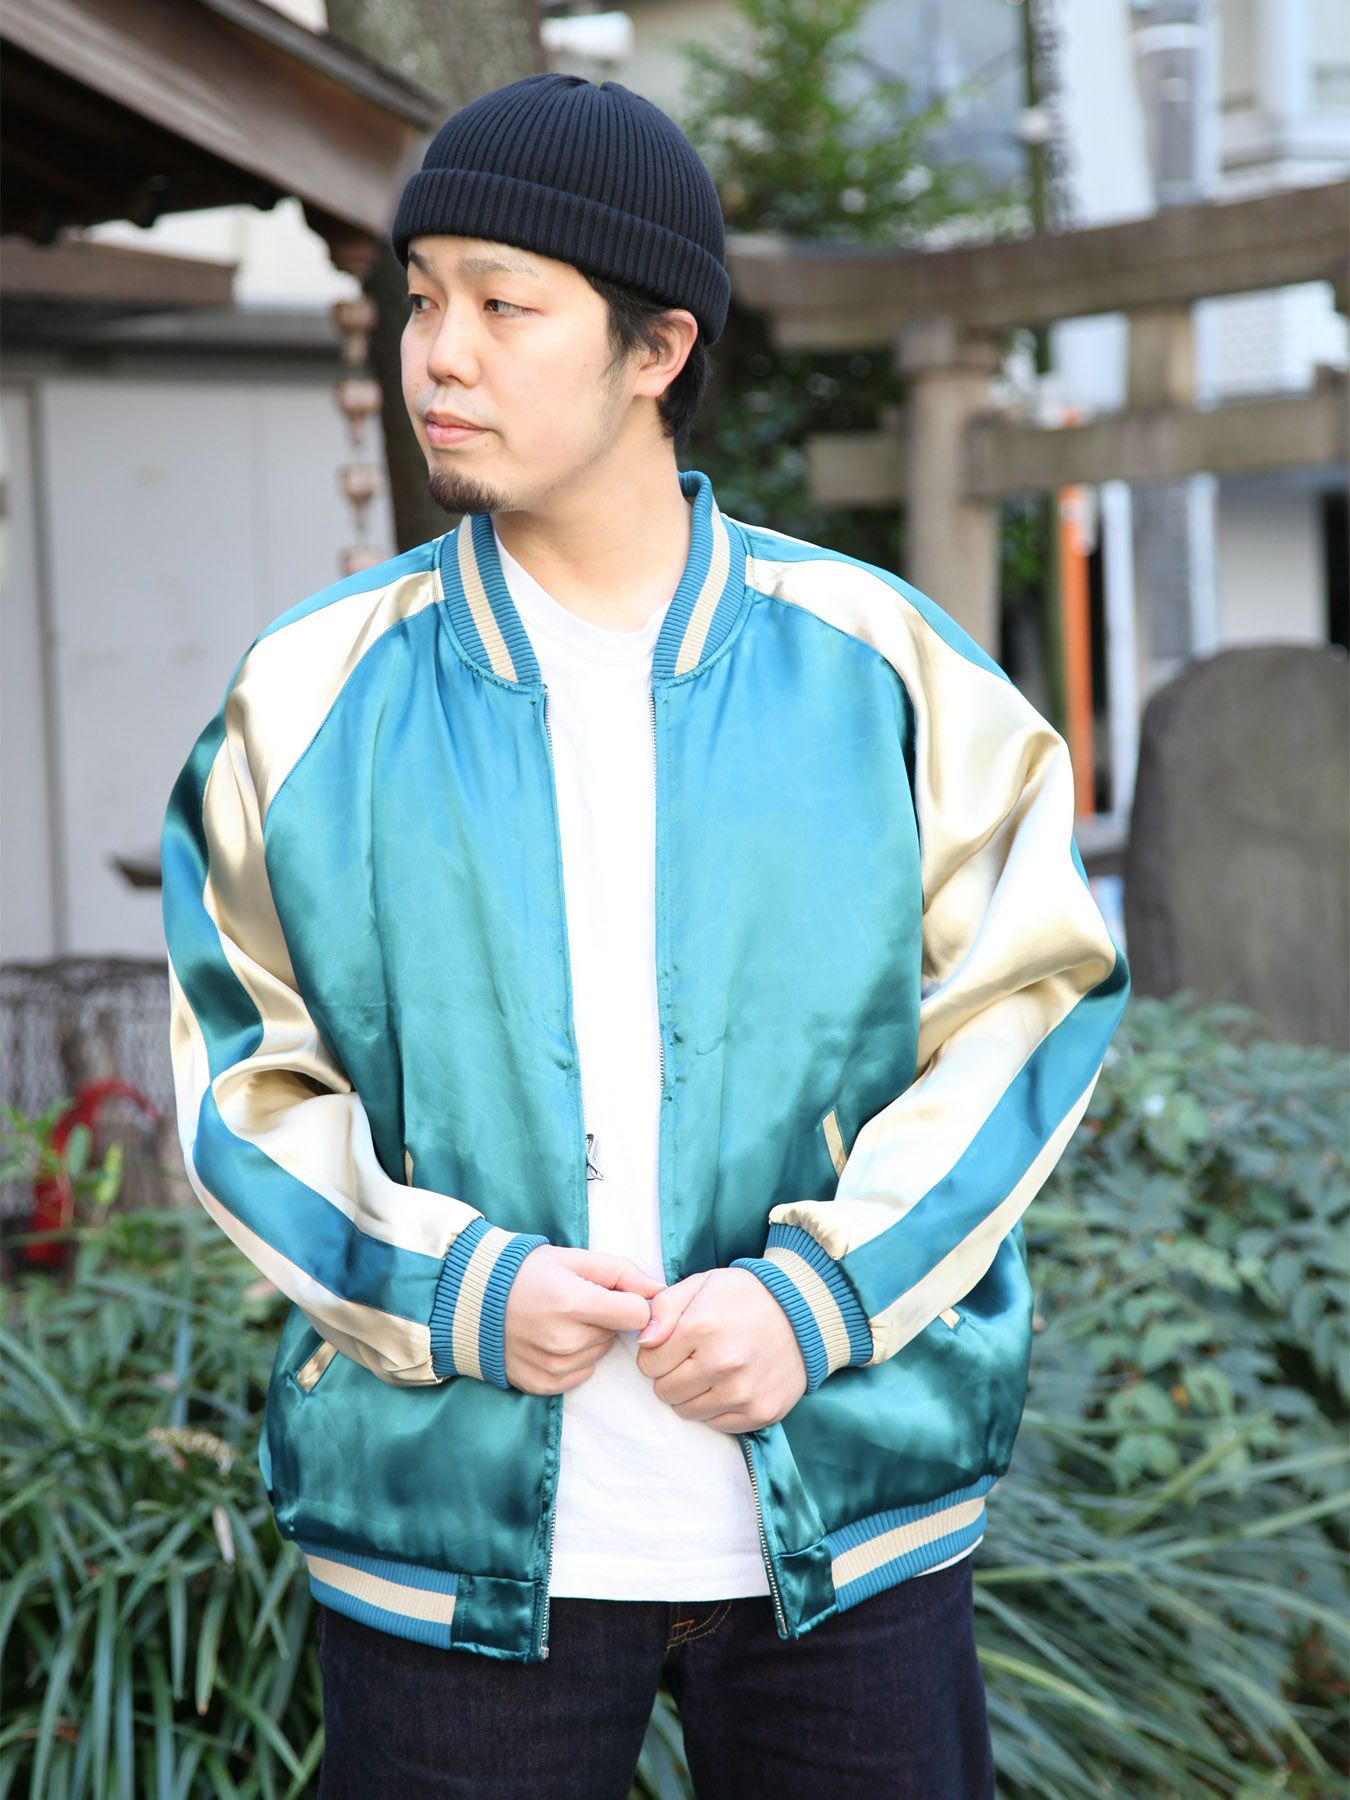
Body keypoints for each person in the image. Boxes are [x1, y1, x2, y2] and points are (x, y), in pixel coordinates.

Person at [160, 71, 1130, 1799]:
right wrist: (460, 1293)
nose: (440, 354)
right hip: (451, 1548)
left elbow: (1031, 1000)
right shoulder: (307, 696)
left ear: (656, 349)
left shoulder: (879, 666)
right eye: (422, 300)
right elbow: (244, 1077)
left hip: (843, 1525)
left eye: (504, 306)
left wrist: (822, 1298)